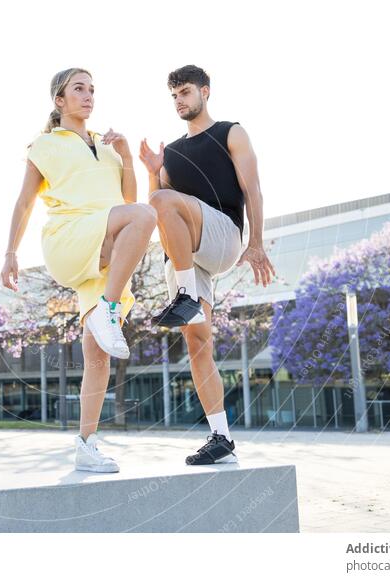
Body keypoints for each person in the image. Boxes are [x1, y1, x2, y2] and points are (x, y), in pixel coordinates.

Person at [1, 68, 157, 472]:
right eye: (79, 89)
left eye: (92, 90)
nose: (88, 96)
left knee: (98, 354)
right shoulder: (45, 145)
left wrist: (125, 157)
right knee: (144, 216)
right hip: (69, 238)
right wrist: (10, 253)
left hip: (104, 247)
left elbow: (127, 199)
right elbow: (23, 204)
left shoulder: (106, 147)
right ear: (60, 100)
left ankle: (86, 446)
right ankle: (108, 309)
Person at [138, 64, 276, 465]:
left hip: (222, 234)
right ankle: (222, 438)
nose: (179, 100)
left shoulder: (231, 132)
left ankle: (185, 294)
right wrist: (152, 172)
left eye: (185, 92)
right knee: (198, 344)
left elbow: (253, 189)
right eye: (174, 95)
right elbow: (159, 213)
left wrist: (256, 243)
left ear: (205, 92)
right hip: (185, 256)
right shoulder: (173, 153)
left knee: (163, 201)